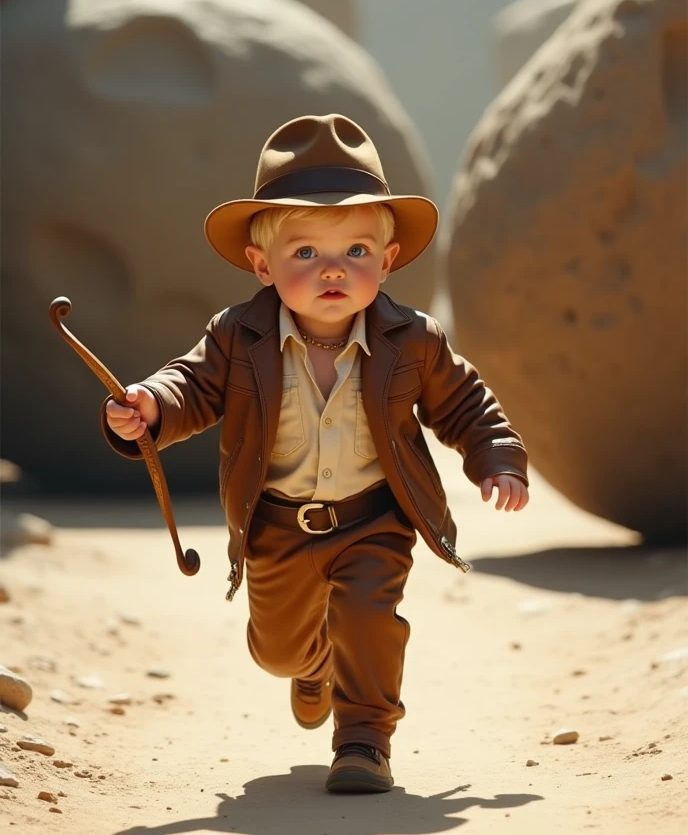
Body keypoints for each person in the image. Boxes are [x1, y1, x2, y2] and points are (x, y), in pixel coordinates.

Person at [103, 113, 529, 794]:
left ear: (388, 261)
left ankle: (363, 739)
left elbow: (464, 403)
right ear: (261, 264)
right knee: (275, 650)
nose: (334, 269)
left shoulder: (411, 340)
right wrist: (150, 406)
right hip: (276, 524)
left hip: (373, 520)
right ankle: (312, 666)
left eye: (357, 251)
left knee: (367, 615)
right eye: (304, 253)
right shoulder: (237, 337)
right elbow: (192, 385)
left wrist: (498, 456)